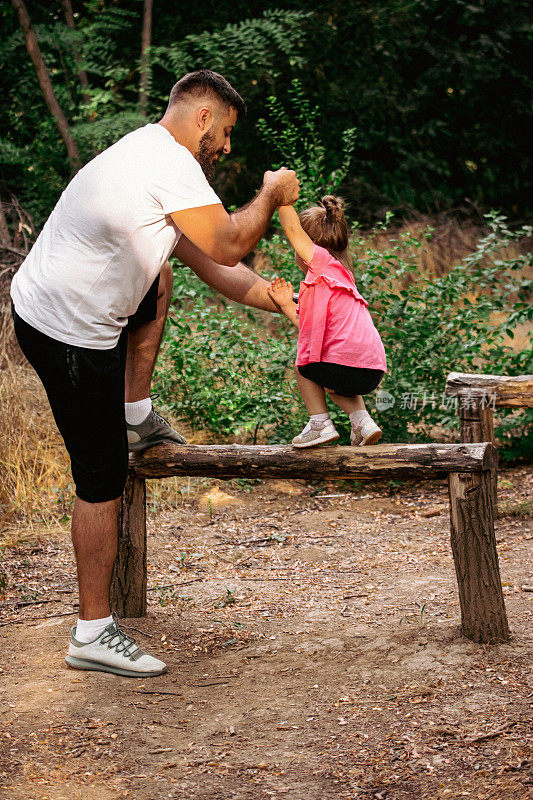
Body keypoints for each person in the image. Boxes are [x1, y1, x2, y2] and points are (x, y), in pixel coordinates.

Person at [10, 69, 299, 677]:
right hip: (66, 332)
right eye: (224, 133)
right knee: (101, 475)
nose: (226, 147)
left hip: (66, 309)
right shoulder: (167, 163)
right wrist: (272, 195)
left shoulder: (155, 159)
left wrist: (285, 300)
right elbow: (227, 243)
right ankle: (92, 631)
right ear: (201, 118)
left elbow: (217, 269)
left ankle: (135, 414)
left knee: (159, 277)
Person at [267, 195, 386, 448]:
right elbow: (307, 330)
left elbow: (291, 229)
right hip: (372, 370)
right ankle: (363, 423)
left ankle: (320, 424)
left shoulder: (322, 264)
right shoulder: (343, 277)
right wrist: (288, 304)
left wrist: (281, 198)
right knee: (333, 378)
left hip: (346, 363)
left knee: (304, 365)